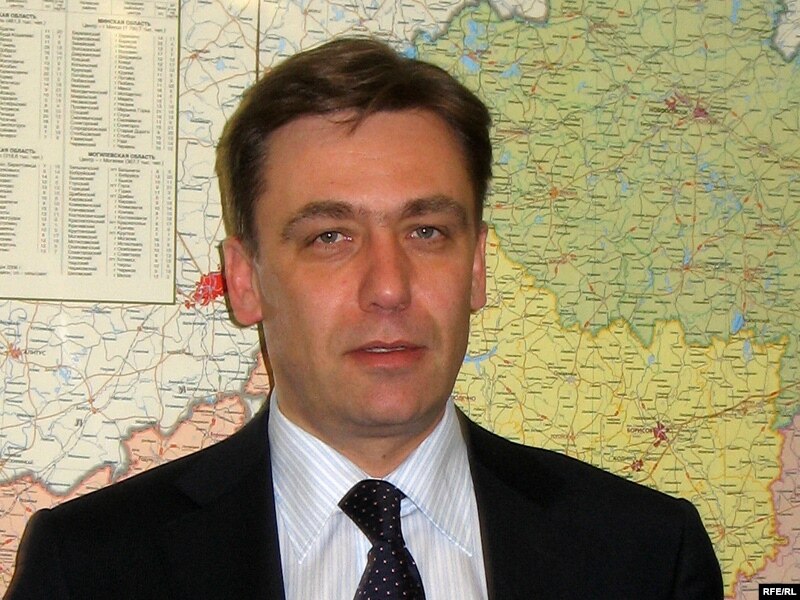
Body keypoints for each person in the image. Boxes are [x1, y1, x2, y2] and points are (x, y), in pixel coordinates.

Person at [5, 38, 723, 599]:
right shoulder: (93, 569)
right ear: (245, 281)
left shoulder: (645, 556)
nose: (388, 288)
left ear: (476, 268)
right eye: (330, 237)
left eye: (427, 232)